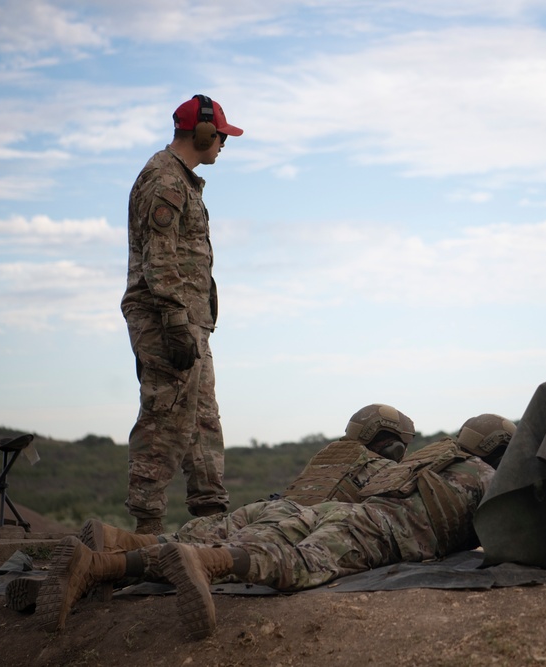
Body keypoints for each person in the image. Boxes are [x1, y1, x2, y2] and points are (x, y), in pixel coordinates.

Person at [34, 414, 517, 639]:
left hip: (328, 513)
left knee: (212, 534)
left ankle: (99, 562)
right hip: (372, 529)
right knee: (296, 564)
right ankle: (201, 564)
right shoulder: (488, 478)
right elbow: (507, 539)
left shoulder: (431, 460)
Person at [120, 94, 243, 535]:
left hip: (190, 323)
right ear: (203, 133)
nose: (224, 145)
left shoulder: (182, 179)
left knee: (203, 419)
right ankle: (147, 529)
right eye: (221, 136)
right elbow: (159, 259)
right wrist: (174, 322)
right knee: (165, 416)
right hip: (167, 321)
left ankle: (211, 522)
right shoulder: (165, 181)